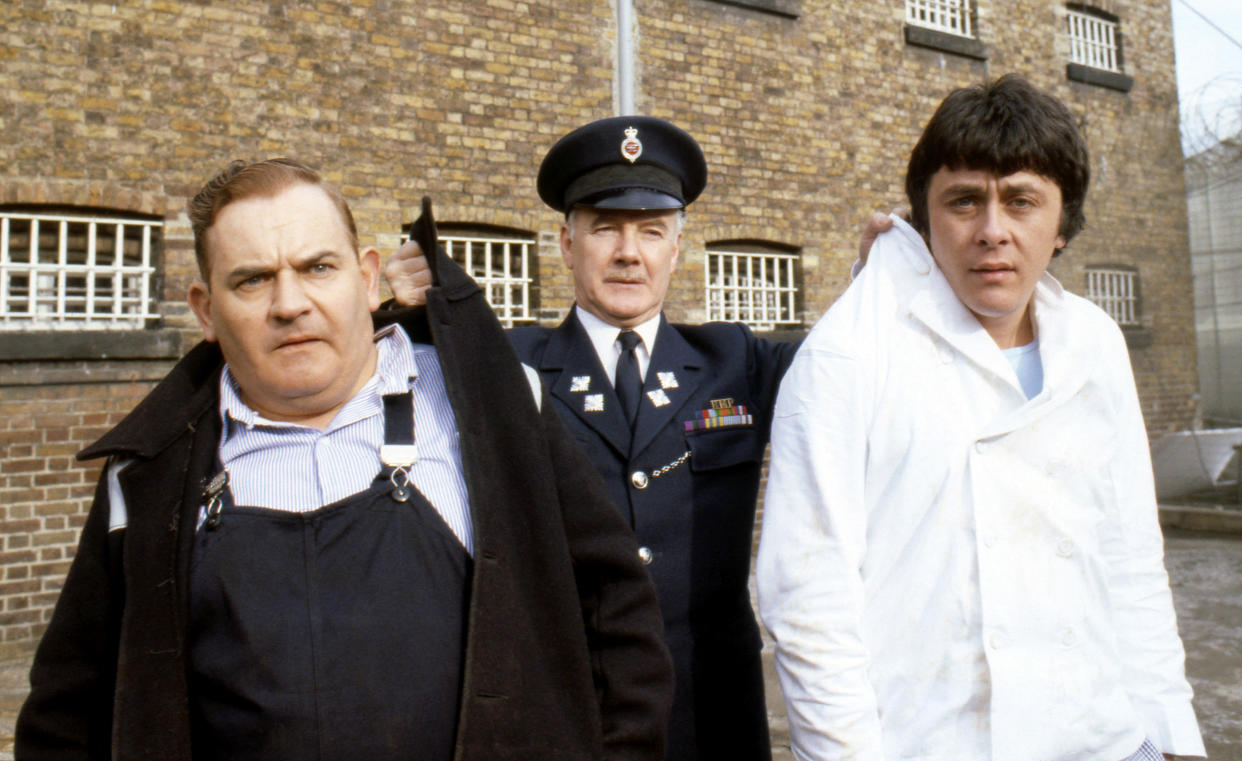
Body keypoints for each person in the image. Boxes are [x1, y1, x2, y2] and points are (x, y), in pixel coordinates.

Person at [15, 158, 674, 761]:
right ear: (205, 310)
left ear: (364, 277)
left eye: (317, 268)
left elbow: (617, 620)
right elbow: (68, 710)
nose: (290, 303)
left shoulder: (491, 409)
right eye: (252, 280)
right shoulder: (149, 472)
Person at [757, 74, 1206, 761]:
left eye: (1022, 201)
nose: (992, 231)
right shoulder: (849, 353)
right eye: (964, 201)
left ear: (1062, 225)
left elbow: (1130, 558)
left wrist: (1172, 734)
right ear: (924, 215)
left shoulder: (1094, 342)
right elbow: (808, 597)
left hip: (1106, 739)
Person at [388, 116, 799, 761]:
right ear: (565, 244)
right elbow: (366, 378)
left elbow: (854, 368)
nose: (628, 252)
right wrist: (399, 309)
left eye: (651, 232)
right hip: (569, 713)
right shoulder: (509, 362)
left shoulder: (734, 360)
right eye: (605, 228)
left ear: (678, 249)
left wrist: (886, 270)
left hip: (714, 714)